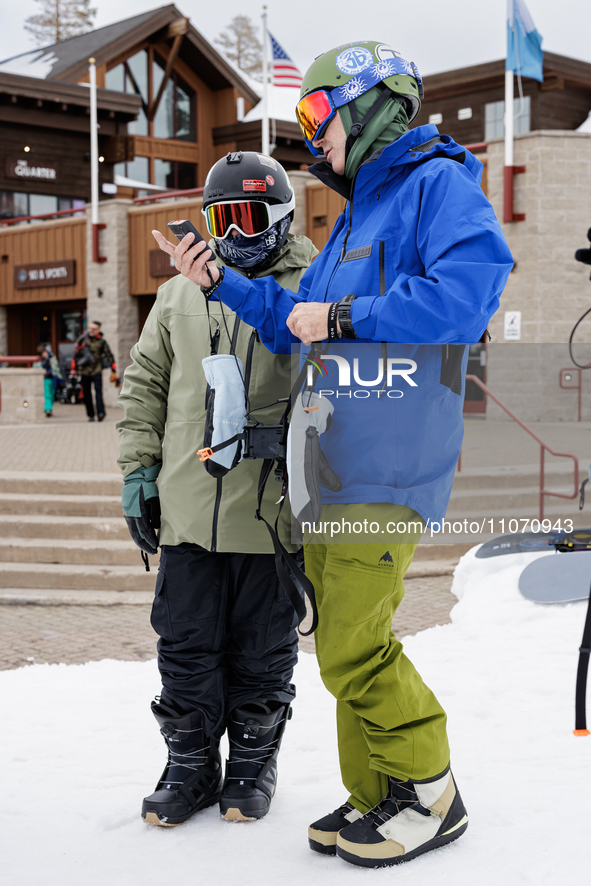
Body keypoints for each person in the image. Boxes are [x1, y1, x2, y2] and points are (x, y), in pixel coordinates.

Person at [153, 42, 514, 867]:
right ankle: (377, 791)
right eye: (307, 122)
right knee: (342, 643)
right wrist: (217, 283)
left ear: (372, 107)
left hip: (386, 466)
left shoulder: (434, 186)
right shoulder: (355, 215)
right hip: (330, 465)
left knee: (354, 642)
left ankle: (428, 792)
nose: (313, 138)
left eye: (320, 117)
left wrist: (346, 319)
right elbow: (293, 318)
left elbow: (469, 294)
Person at [117, 152, 318, 827]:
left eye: (248, 216)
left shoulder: (309, 289)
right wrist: (138, 470)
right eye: (220, 217)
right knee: (185, 642)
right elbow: (145, 380)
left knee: (262, 647)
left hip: (269, 510)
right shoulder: (178, 292)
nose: (233, 233)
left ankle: (252, 764)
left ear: (281, 218)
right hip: (188, 506)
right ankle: (190, 764)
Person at [71, 320, 118, 421]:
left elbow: (109, 355)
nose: (91, 330)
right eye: (90, 328)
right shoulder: (82, 340)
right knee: (87, 393)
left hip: (97, 370)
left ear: (98, 330)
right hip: (84, 371)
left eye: (94, 329)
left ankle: (101, 413)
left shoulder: (102, 341)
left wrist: (113, 371)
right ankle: (91, 415)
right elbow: (75, 355)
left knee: (98, 392)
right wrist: (74, 369)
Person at [36, 344, 63, 417]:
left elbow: (57, 368)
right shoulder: (39, 361)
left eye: (44, 352)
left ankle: (50, 409)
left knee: (52, 394)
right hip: (45, 379)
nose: (44, 354)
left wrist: (60, 378)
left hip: (53, 378)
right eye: (42, 353)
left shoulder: (52, 358)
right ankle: (47, 409)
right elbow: (37, 369)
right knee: (47, 394)